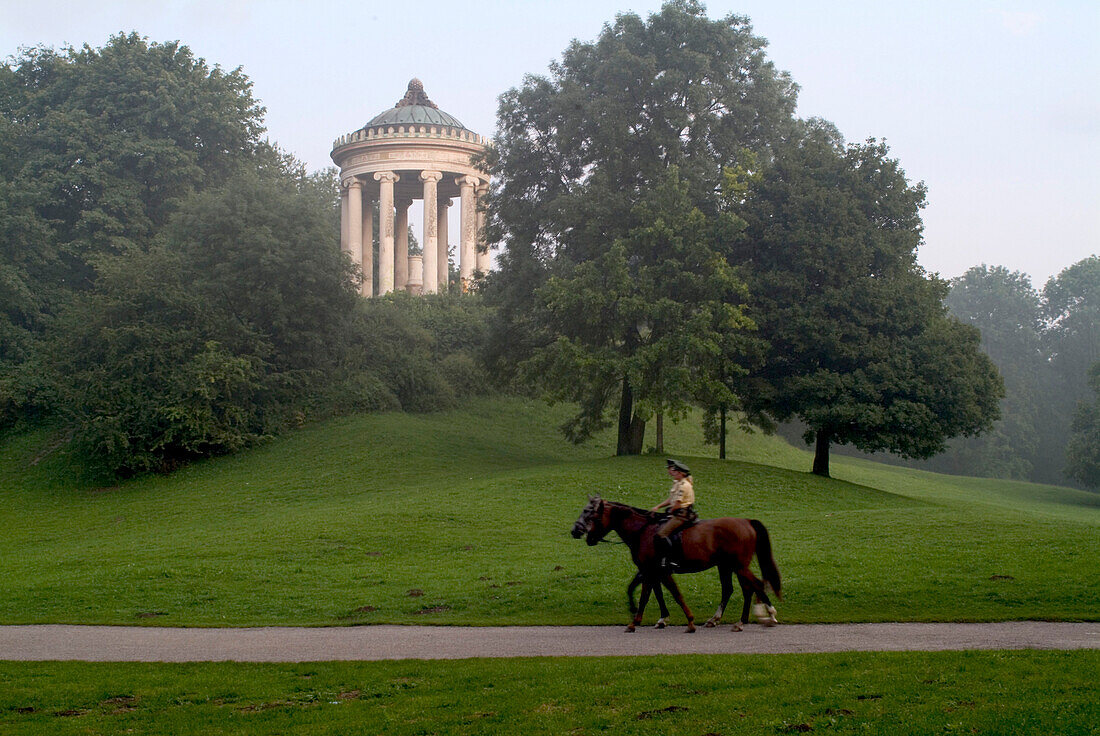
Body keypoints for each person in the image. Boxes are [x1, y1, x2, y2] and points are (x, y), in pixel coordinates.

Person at [650, 459, 698, 569]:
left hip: (682, 514)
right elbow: (671, 500)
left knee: (661, 534)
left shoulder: (684, 486)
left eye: (675, 471)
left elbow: (677, 504)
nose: (673, 473)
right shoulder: (677, 483)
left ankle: (671, 559)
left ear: (681, 473)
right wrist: (658, 506)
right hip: (677, 512)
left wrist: (670, 511)